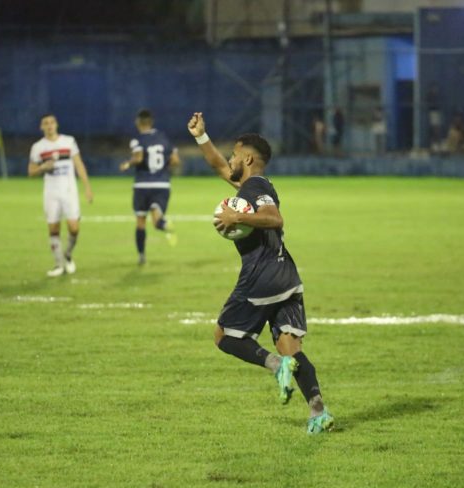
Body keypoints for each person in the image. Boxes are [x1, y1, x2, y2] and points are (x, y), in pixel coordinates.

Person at [186, 111, 334, 434]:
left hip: (262, 274)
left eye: (235, 154)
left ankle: (275, 365)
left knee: (224, 336)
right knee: (291, 348)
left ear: (248, 158)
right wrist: (201, 137)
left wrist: (238, 219)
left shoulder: (254, 187)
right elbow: (218, 166)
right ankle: (318, 411)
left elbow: (274, 217)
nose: (230, 159)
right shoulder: (252, 184)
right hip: (287, 275)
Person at [28, 113, 93, 277]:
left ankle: (68, 255)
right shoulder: (38, 147)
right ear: (41, 127)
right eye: (45, 123)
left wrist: (87, 187)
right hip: (51, 192)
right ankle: (58, 264)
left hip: (69, 191)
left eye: (52, 122)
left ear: (56, 124)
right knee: (53, 228)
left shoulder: (68, 141)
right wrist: (43, 167)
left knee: (74, 227)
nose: (49, 126)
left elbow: (79, 164)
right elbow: (31, 171)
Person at [119, 109, 180, 266]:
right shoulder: (163, 137)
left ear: (138, 122)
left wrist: (128, 163)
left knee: (140, 221)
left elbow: (138, 158)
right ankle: (165, 225)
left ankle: (141, 256)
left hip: (142, 185)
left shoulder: (137, 139)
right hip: (162, 184)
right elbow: (175, 161)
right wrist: (163, 168)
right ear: (151, 122)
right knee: (156, 221)